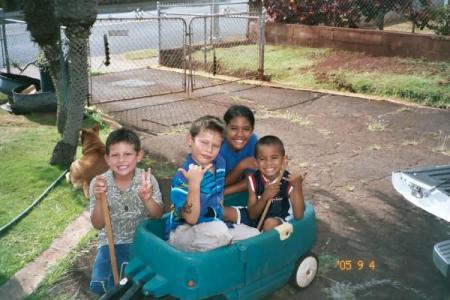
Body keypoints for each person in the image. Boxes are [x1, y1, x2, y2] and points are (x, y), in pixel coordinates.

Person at [89, 128, 164, 295]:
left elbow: (157, 215)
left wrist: (147, 198)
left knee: (138, 284)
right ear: (107, 159)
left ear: (139, 155)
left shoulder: (147, 180)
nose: (121, 160)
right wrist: (100, 199)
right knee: (104, 285)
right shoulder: (99, 182)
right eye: (115, 155)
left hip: (141, 240)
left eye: (128, 154)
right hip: (110, 241)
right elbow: (97, 224)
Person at [167, 115, 259, 252]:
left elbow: (218, 198)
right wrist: (194, 185)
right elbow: (190, 219)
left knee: (255, 236)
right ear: (190, 140)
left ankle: (221, 252)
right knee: (219, 233)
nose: (209, 150)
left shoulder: (220, 162)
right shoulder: (182, 176)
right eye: (204, 142)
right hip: (182, 232)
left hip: (213, 225)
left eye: (215, 145)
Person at [247, 135, 306, 231]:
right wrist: (265, 196)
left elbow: (299, 215)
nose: (268, 163)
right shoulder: (253, 179)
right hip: (257, 221)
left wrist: (297, 186)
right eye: (262, 159)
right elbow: (252, 215)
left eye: (274, 158)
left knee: (269, 223)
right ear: (256, 162)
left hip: (279, 221)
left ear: (284, 160)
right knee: (228, 213)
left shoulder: (288, 180)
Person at [219, 105, 258, 196]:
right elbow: (218, 185)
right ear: (225, 129)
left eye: (246, 129)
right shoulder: (217, 148)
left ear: (252, 131)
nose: (239, 134)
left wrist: (223, 192)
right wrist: (241, 166)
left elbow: (253, 180)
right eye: (233, 129)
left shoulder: (253, 141)